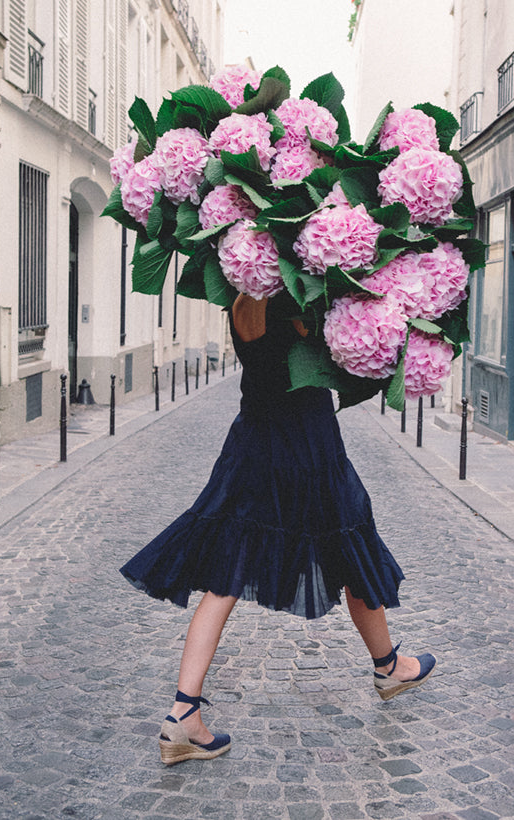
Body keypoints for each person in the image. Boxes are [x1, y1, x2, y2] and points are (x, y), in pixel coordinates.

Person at [120, 292, 436, 765]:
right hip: (309, 446)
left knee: (226, 576)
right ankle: (389, 668)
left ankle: (183, 714)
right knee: (353, 547)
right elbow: (337, 361)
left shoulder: (240, 304)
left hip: (252, 441)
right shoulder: (300, 303)